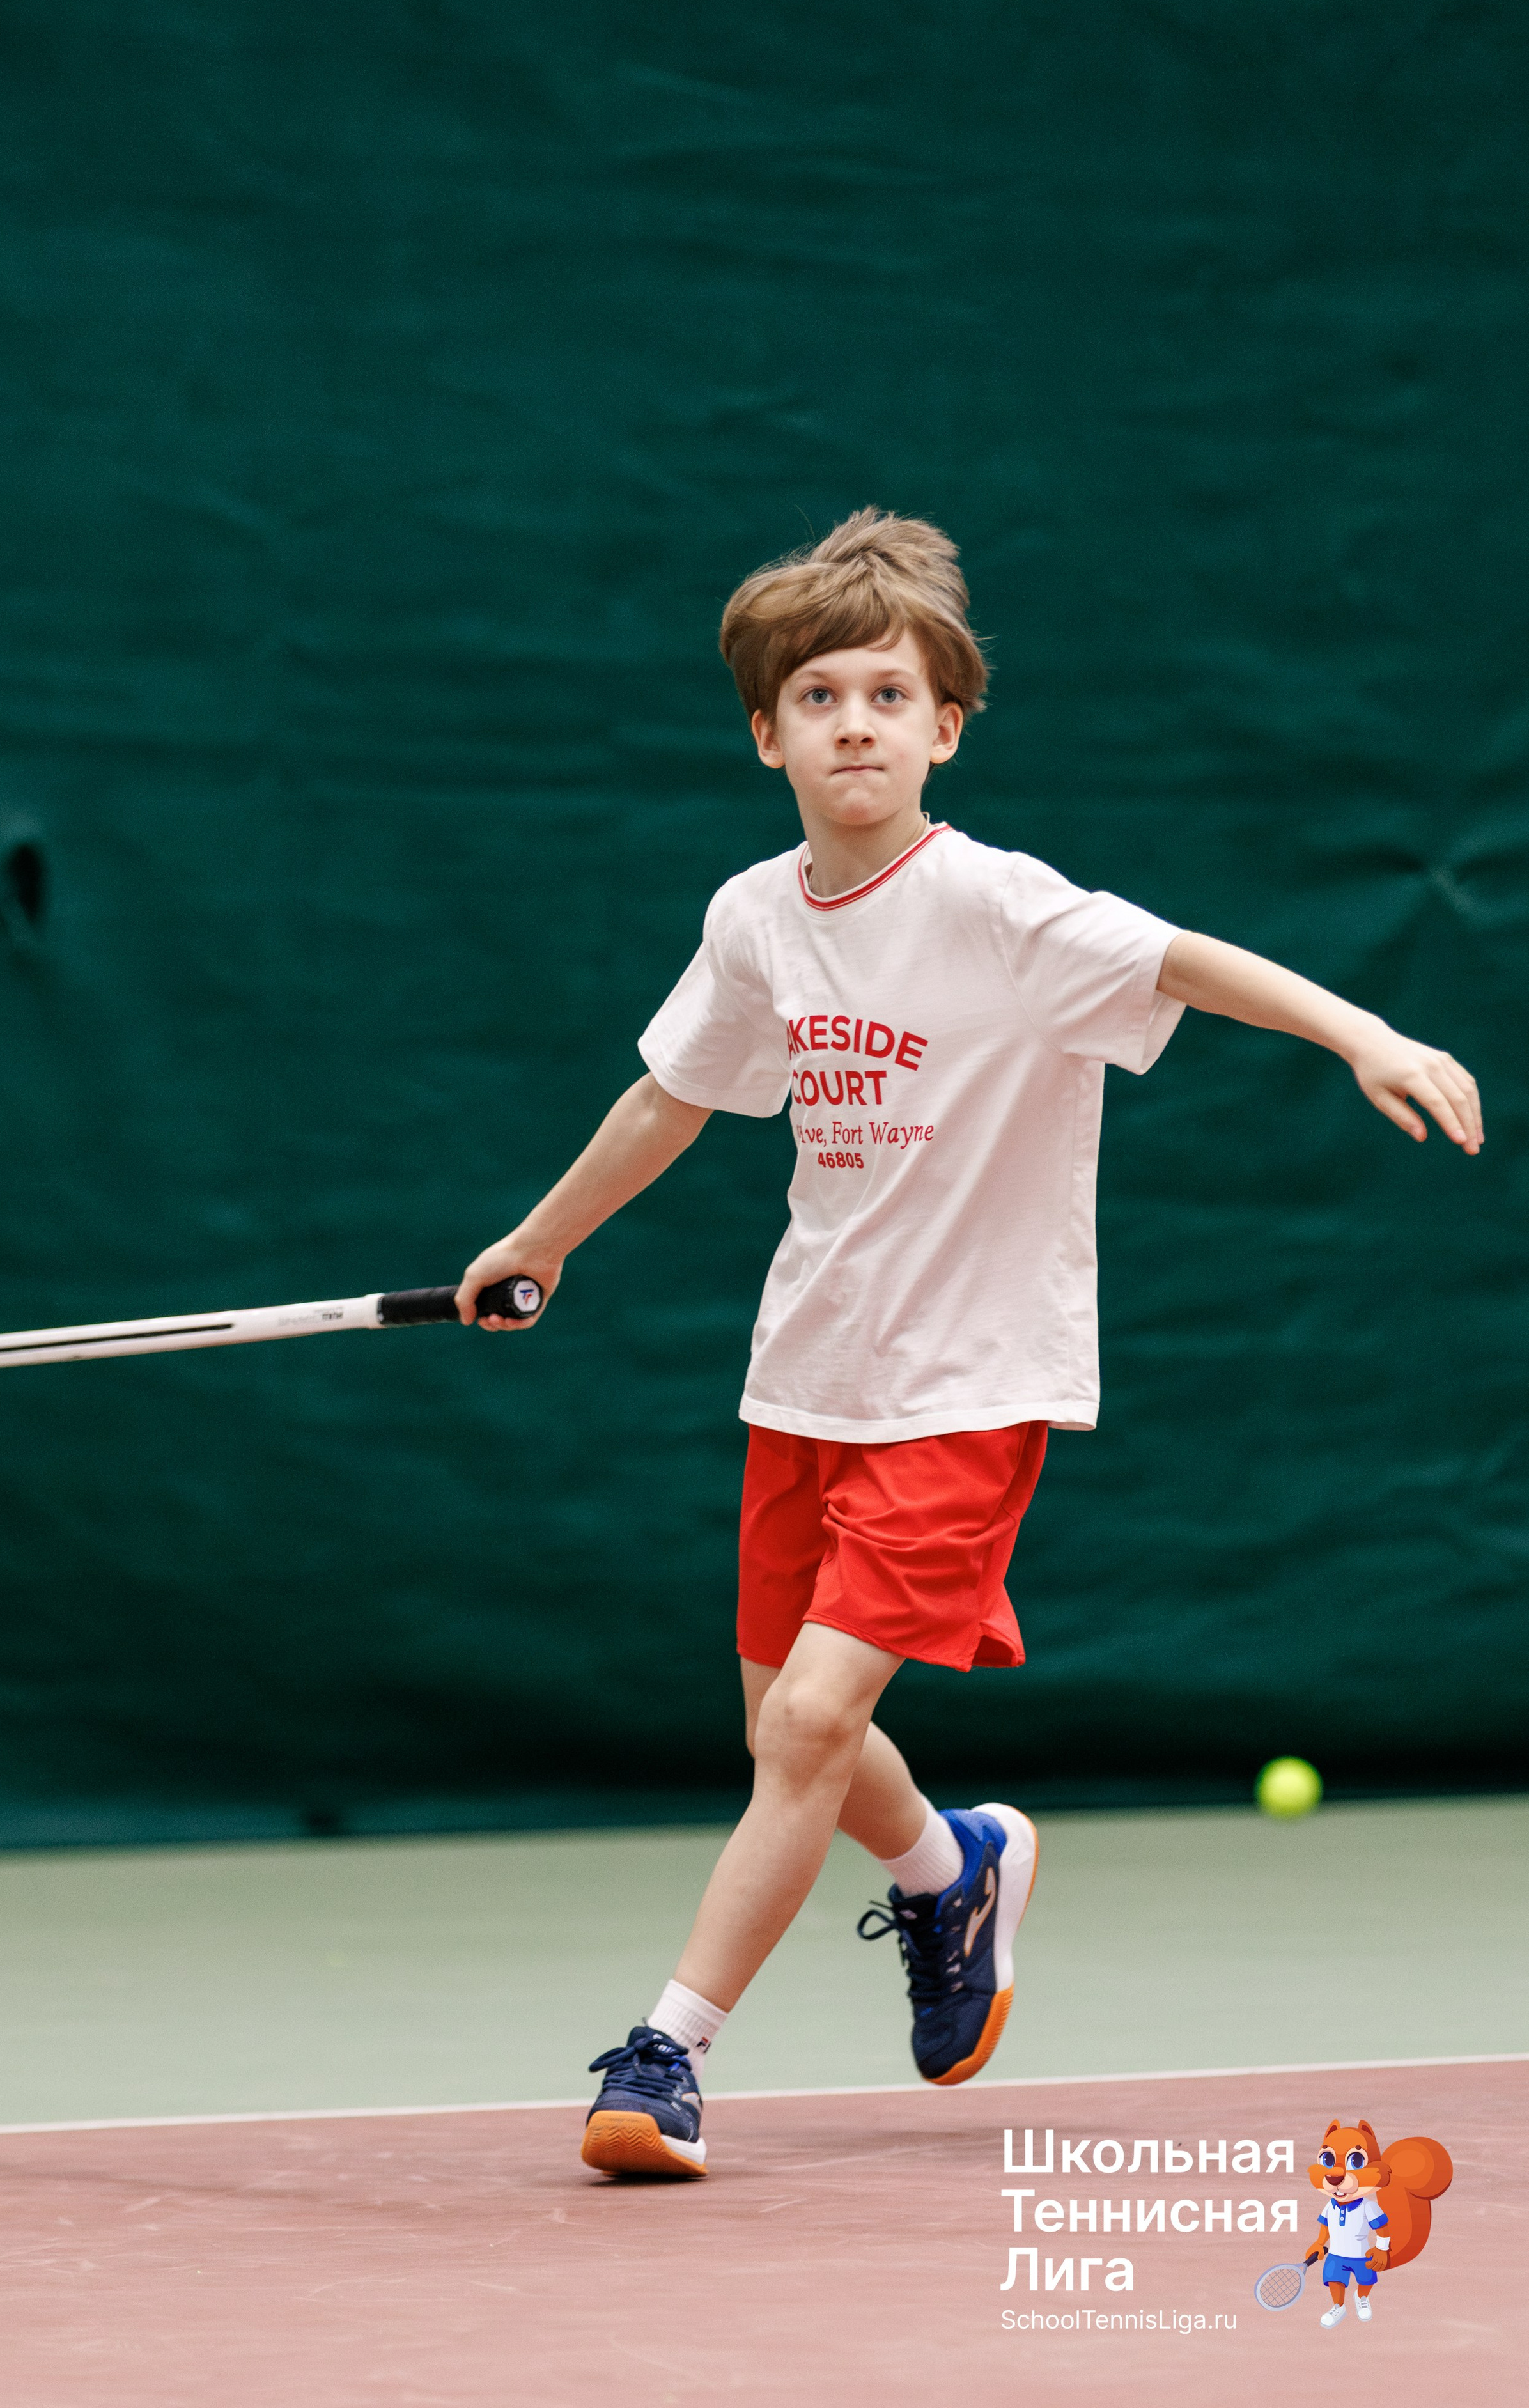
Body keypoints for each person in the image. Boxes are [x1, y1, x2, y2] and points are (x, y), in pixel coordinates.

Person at [457, 510, 1483, 2181]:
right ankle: (952, 1872)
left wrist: (1362, 1028)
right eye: (818, 695)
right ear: (765, 733)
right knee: (789, 1727)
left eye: (888, 693)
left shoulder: (1003, 910)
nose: (853, 720)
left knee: (801, 1730)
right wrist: (541, 1241)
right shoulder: (755, 919)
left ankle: (668, 2053)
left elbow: (1182, 961)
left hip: (971, 1387)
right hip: (809, 1375)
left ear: (946, 726)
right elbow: (673, 1096)